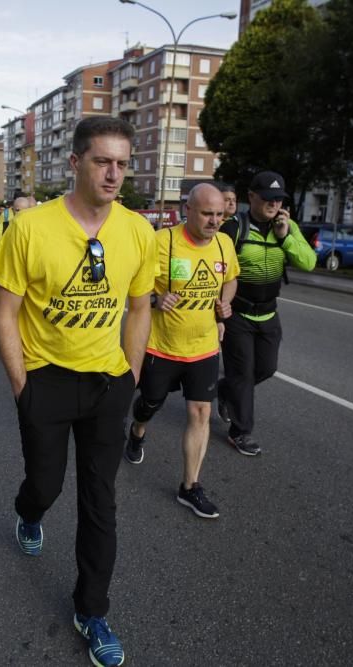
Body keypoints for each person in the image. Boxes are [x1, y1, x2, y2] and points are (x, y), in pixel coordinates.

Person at [0, 116, 156, 667]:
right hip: (47, 381)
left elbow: (138, 307)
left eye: (122, 164)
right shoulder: (30, 228)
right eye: (102, 161)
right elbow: (5, 310)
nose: (113, 174)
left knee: (100, 503)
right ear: (75, 163)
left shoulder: (137, 231)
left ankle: (92, 610)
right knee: (45, 485)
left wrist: (130, 377)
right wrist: (22, 386)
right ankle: (28, 512)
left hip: (108, 384)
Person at [123, 183, 239, 519]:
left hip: (203, 346)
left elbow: (231, 278)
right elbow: (133, 287)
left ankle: (190, 487)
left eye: (219, 214)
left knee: (201, 413)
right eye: (207, 214)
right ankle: (137, 431)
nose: (214, 221)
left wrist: (225, 303)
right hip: (162, 345)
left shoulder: (224, 244)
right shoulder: (162, 242)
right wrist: (157, 299)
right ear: (186, 209)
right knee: (150, 404)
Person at [216, 171, 316, 454]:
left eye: (278, 199)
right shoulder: (235, 228)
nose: (273, 204)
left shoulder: (287, 226)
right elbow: (217, 269)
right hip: (238, 315)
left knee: (266, 368)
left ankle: (225, 390)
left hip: (269, 314)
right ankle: (240, 431)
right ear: (251, 197)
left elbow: (308, 262)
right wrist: (218, 312)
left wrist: (285, 238)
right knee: (243, 374)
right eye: (267, 198)